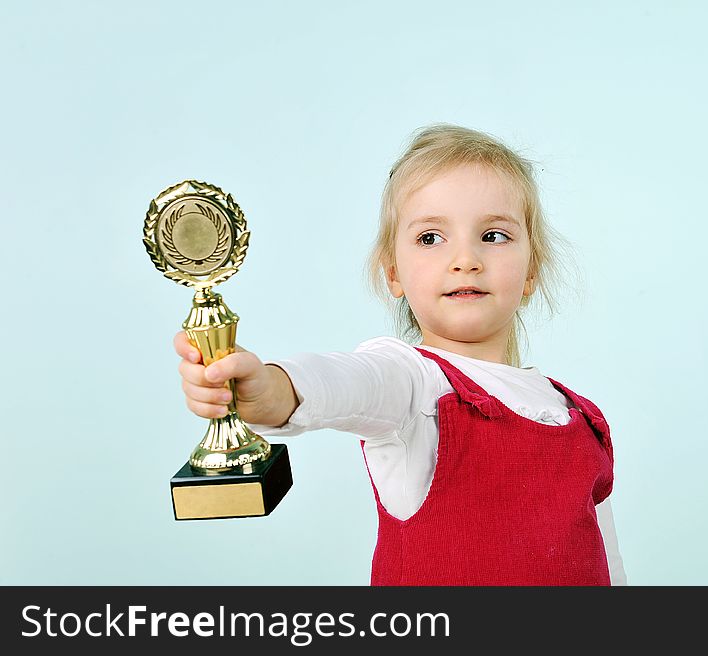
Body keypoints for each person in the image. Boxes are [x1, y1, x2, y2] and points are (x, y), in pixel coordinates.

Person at [173, 123, 627, 586]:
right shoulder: (413, 387)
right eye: (431, 238)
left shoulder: (583, 421)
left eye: (493, 236)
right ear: (394, 273)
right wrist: (270, 389)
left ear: (531, 272)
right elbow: (346, 383)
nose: (465, 258)